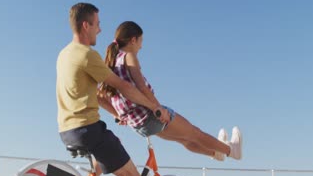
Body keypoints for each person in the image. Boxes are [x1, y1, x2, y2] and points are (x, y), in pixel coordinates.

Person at [56, 3, 170, 176]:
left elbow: (93, 94)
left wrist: (117, 114)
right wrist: (155, 107)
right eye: (97, 23)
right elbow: (124, 87)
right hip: (88, 129)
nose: (100, 28)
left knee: (100, 162)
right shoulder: (87, 55)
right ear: (86, 25)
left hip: (68, 129)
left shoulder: (65, 54)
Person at [98, 21, 242, 161]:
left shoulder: (112, 62)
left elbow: (104, 95)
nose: (141, 46)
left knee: (185, 140)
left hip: (138, 125)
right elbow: (141, 87)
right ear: (133, 40)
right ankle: (231, 150)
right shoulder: (129, 56)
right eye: (141, 41)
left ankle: (215, 153)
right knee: (194, 133)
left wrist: (119, 115)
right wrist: (158, 109)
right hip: (149, 115)